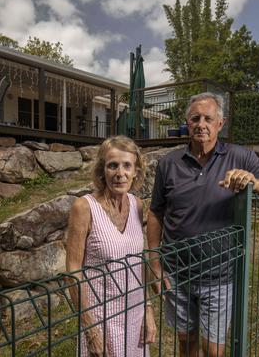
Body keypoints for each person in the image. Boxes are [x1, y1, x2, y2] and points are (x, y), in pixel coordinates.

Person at [147, 92, 259, 357]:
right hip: (177, 274)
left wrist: (254, 182)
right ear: (187, 122)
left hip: (219, 275)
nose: (201, 124)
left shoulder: (240, 157)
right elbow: (156, 213)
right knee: (185, 342)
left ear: (220, 123)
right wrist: (156, 266)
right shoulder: (168, 164)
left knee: (214, 350)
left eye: (208, 118)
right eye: (195, 118)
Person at [66, 136, 157, 357]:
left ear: (136, 171)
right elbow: (72, 272)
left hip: (134, 315)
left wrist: (148, 309)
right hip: (100, 320)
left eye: (127, 165)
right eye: (112, 165)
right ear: (102, 171)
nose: (120, 173)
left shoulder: (136, 204)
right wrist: (90, 329)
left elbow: (138, 262)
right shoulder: (84, 207)